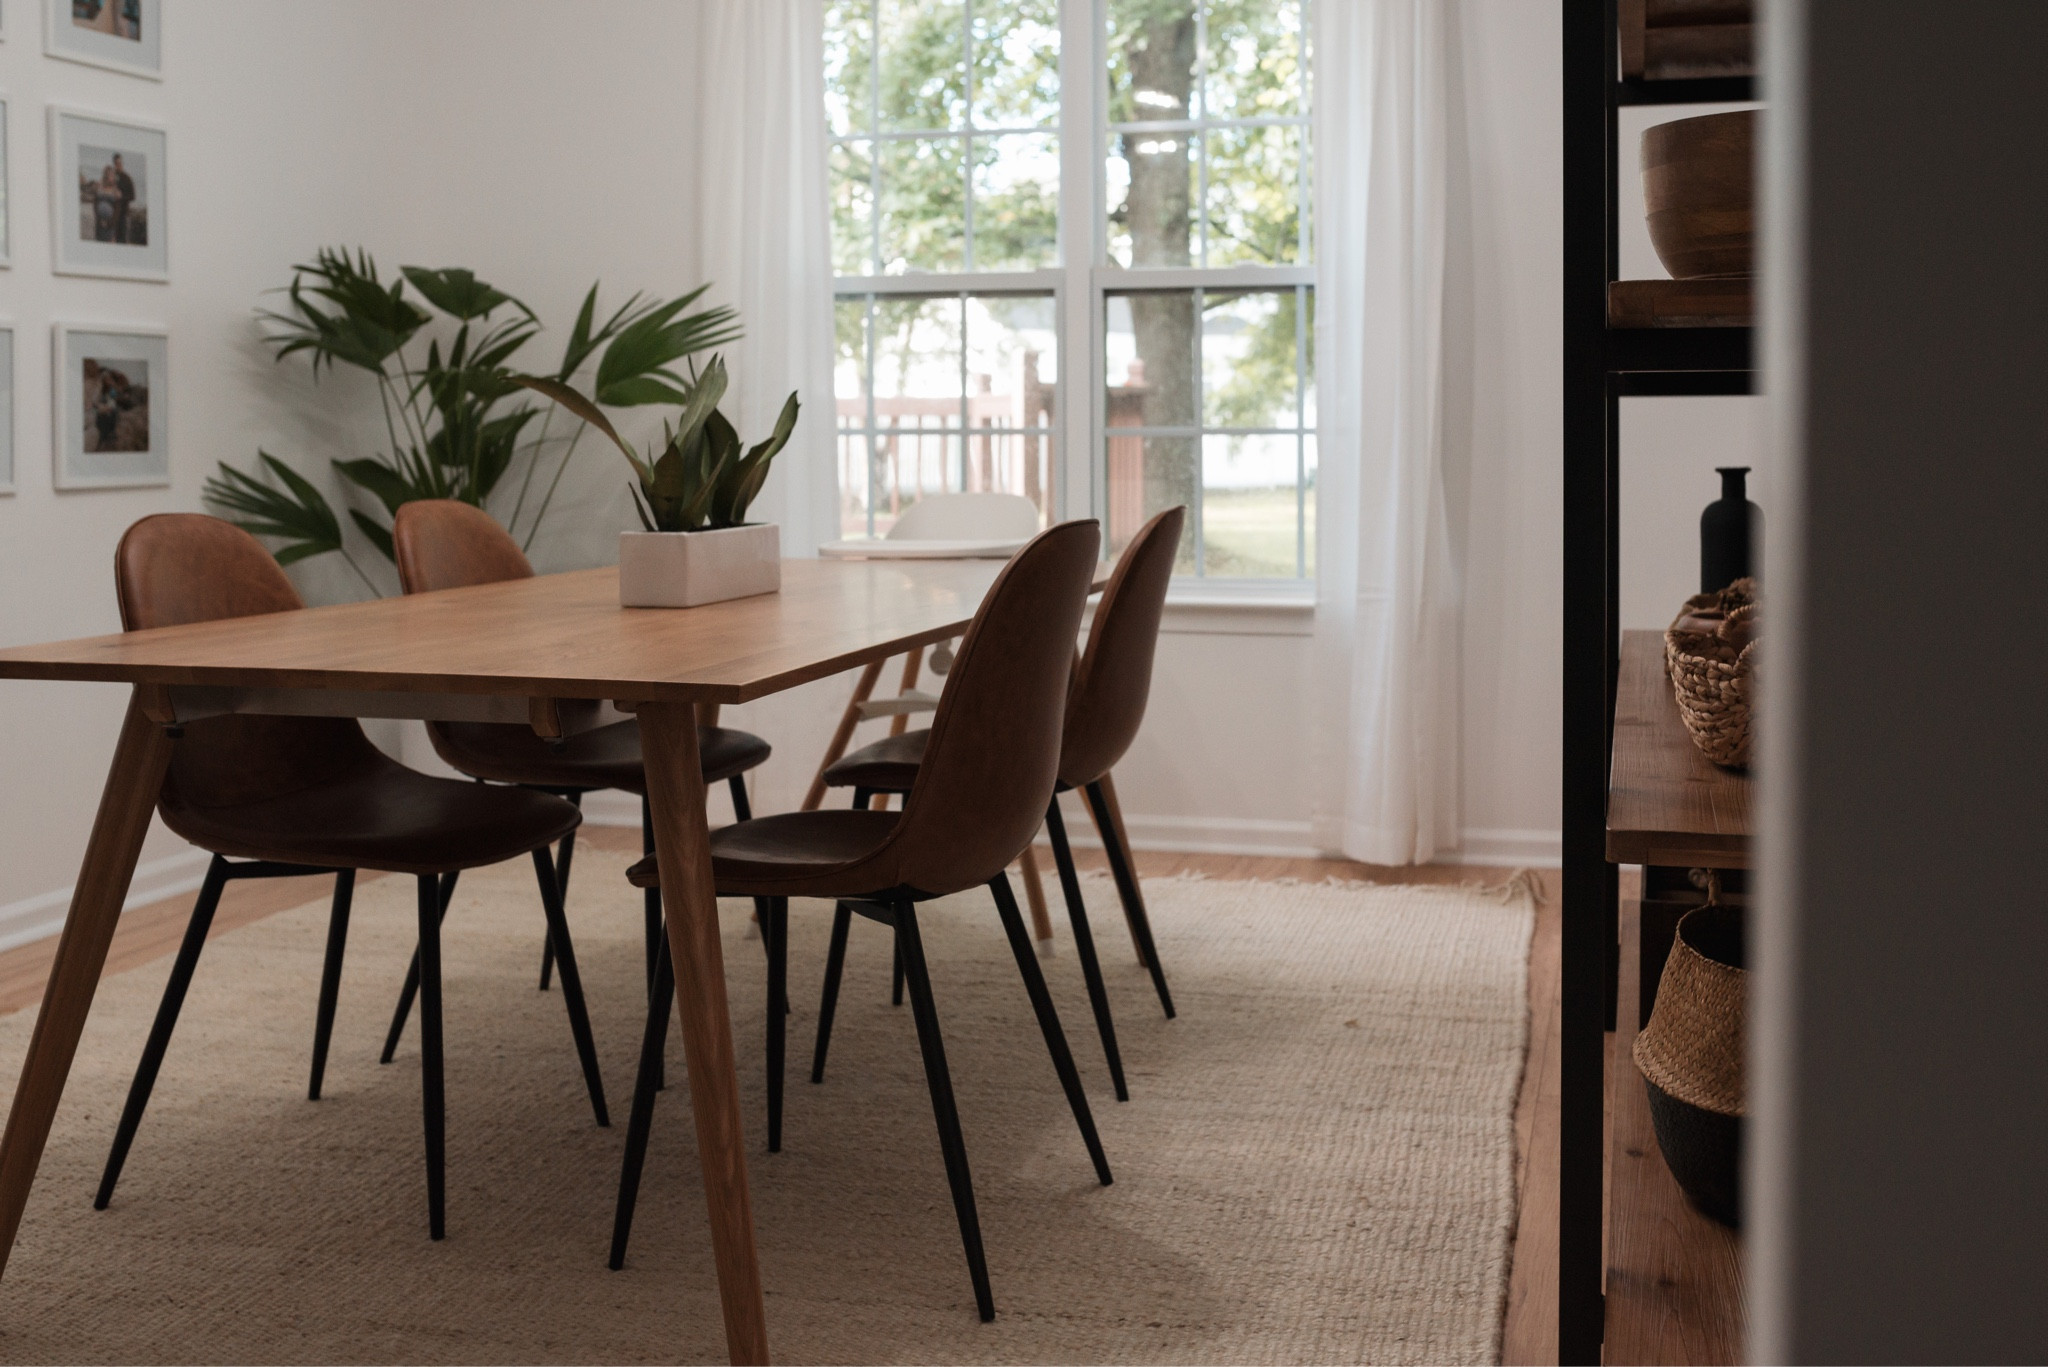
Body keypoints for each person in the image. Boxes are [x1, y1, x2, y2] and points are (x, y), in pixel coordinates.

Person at [111, 154, 137, 245]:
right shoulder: (111, 176)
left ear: (122, 163)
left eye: (119, 163)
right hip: (112, 213)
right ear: (113, 164)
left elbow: (133, 196)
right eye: (116, 163)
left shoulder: (127, 178)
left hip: (123, 214)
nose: (118, 165)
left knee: (122, 241)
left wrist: (121, 196)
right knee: (111, 240)